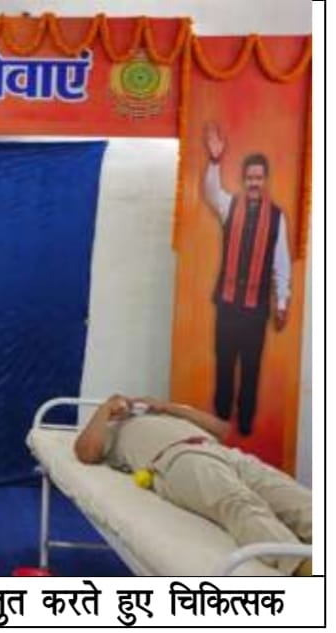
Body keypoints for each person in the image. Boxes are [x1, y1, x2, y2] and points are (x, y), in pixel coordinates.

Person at [74, 393, 311, 575]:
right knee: (239, 502)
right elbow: (86, 453)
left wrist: (166, 407)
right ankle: (303, 566)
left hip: (224, 453)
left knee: (298, 499)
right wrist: (104, 410)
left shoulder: (173, 415)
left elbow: (222, 430)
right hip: (176, 458)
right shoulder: (113, 430)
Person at [202, 122, 292, 436]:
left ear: (265, 180)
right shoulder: (229, 205)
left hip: (256, 309)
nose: (254, 183)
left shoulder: (277, 217)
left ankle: (244, 423)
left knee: (251, 367)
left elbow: (281, 263)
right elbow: (210, 191)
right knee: (224, 363)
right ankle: (221, 418)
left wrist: (282, 302)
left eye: (259, 178)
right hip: (227, 304)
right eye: (250, 177)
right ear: (244, 179)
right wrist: (215, 160)